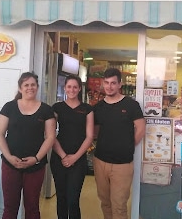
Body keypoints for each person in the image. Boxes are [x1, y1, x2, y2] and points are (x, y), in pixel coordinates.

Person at [0, 72, 56, 219]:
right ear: (20, 88)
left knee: (32, 207)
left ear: (37, 87)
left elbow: (50, 137)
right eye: (26, 85)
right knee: (10, 207)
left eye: (33, 85)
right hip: (10, 165)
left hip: (35, 166)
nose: (30, 88)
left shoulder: (46, 110)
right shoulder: (9, 107)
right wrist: (9, 157)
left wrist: (36, 158)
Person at [92, 67, 146, 219]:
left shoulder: (131, 105)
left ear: (120, 84)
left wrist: (128, 144)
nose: (109, 86)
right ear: (103, 84)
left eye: (113, 83)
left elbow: (141, 128)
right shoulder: (98, 108)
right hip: (100, 161)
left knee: (119, 205)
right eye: (107, 83)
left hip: (122, 165)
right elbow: (94, 131)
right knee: (105, 202)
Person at [50, 75, 94, 219]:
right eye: (69, 87)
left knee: (73, 200)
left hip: (79, 159)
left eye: (75, 87)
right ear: (65, 88)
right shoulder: (57, 108)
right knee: (61, 198)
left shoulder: (87, 109)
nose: (72, 90)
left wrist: (74, 157)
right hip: (58, 158)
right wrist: (63, 156)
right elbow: (50, 135)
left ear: (79, 88)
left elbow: (89, 136)